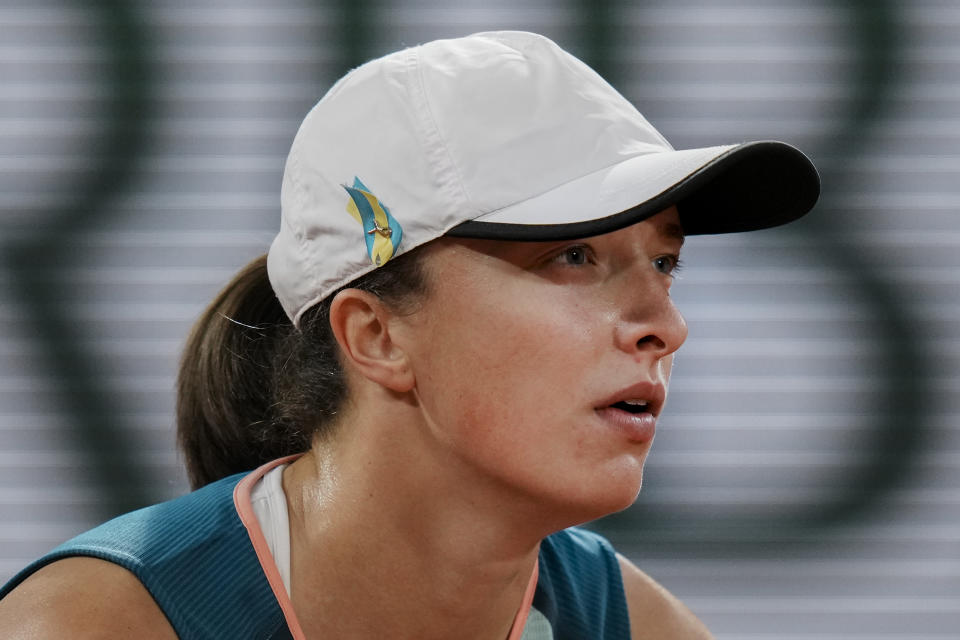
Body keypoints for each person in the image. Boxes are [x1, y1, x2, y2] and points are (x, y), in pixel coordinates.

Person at [0, 31, 819, 639]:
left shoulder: (633, 625)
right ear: (377, 336)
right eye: (573, 255)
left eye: (665, 262)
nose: (666, 328)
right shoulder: (94, 624)